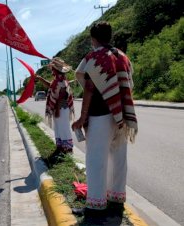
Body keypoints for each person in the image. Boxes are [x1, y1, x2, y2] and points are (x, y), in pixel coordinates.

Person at [71, 21, 138, 217]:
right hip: (121, 116)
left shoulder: (94, 57)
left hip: (100, 115)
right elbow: (129, 84)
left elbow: (90, 88)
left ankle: (95, 207)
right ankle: (116, 201)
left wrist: (82, 118)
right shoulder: (123, 56)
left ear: (93, 39)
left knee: (96, 161)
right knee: (119, 159)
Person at [35, 57, 75, 163]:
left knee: (63, 129)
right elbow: (51, 87)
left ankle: (67, 150)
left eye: (52, 68)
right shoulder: (58, 79)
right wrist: (40, 79)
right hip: (59, 108)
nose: (51, 70)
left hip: (61, 108)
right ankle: (60, 148)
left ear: (56, 69)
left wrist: (57, 109)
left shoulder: (61, 79)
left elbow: (63, 95)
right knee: (58, 129)